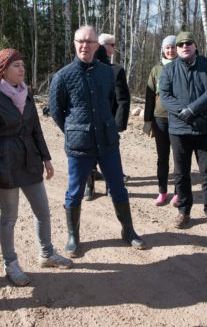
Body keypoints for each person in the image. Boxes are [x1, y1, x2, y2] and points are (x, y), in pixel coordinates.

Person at [0, 48, 72, 286]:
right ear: (3, 70)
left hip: (30, 161)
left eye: (22, 65)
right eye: (16, 65)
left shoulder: (27, 94)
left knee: (43, 212)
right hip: (4, 164)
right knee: (9, 218)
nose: (22, 69)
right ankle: (11, 264)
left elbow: (36, 129)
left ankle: (46, 254)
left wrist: (46, 159)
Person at [49, 25, 145, 257]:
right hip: (80, 145)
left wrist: (108, 124)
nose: (85, 45)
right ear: (74, 44)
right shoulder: (62, 76)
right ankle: (74, 237)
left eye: (90, 42)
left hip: (108, 142)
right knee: (75, 191)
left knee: (118, 187)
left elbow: (112, 102)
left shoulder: (106, 72)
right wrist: (75, 130)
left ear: (96, 46)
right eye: (80, 41)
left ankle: (128, 230)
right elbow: (56, 112)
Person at [159, 31, 207, 237]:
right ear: (176, 49)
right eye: (180, 44)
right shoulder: (169, 70)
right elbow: (165, 97)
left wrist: (193, 109)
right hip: (179, 131)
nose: (184, 46)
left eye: (188, 43)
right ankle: (184, 211)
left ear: (195, 46)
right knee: (181, 173)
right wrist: (187, 114)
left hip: (205, 129)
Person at [83, 33, 131, 200]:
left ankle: (111, 186)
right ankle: (89, 186)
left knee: (110, 156)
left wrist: (118, 123)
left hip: (108, 123)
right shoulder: (84, 70)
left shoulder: (115, 71)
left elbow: (123, 99)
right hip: (88, 123)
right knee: (89, 156)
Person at [144, 35, 179, 206]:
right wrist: (147, 120)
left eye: (173, 47)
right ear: (163, 50)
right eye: (168, 48)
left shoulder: (184, 66)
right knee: (162, 157)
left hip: (180, 118)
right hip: (160, 118)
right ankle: (162, 191)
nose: (171, 51)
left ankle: (179, 193)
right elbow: (149, 96)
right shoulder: (156, 70)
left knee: (180, 157)